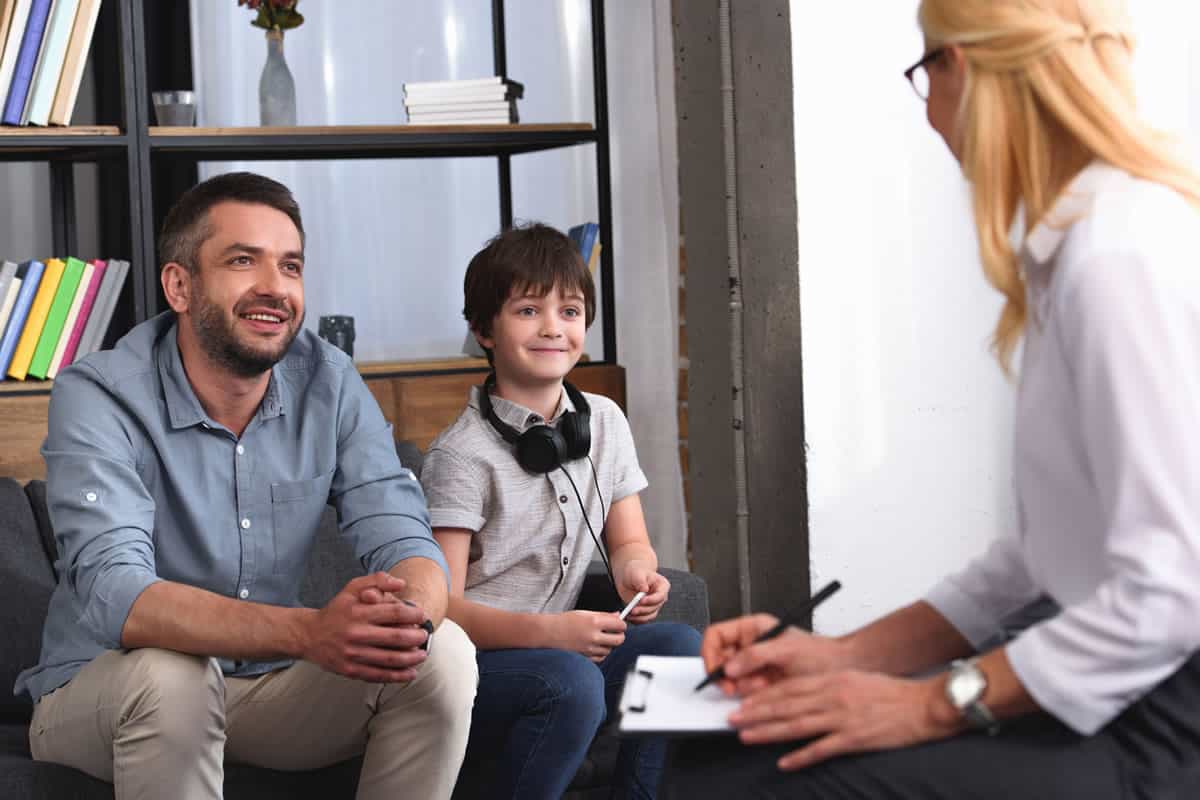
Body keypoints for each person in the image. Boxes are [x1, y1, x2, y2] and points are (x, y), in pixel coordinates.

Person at [661, 1, 1200, 797]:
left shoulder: (1117, 258)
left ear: (975, 69)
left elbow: (1170, 595)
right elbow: (1038, 554)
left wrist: (929, 703)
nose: (930, 113)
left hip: (1160, 718)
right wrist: (843, 656)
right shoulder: (1076, 246)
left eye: (927, 71)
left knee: (742, 784)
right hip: (1107, 675)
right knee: (717, 750)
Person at [14, 172, 478, 800]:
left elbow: (404, 534)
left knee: (440, 653)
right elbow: (118, 594)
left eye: (290, 266)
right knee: (172, 676)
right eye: (242, 261)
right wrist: (311, 631)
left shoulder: (330, 381)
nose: (274, 289)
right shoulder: (98, 394)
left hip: (269, 690)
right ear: (179, 286)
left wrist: (406, 618)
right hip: (104, 692)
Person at [419, 222, 701, 800]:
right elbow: (440, 610)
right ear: (482, 330)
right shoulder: (461, 456)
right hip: (478, 668)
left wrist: (635, 572)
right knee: (571, 681)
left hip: (561, 651)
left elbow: (629, 541)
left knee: (679, 651)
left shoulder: (604, 422)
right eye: (528, 311)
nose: (553, 328)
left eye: (570, 312)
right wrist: (552, 635)